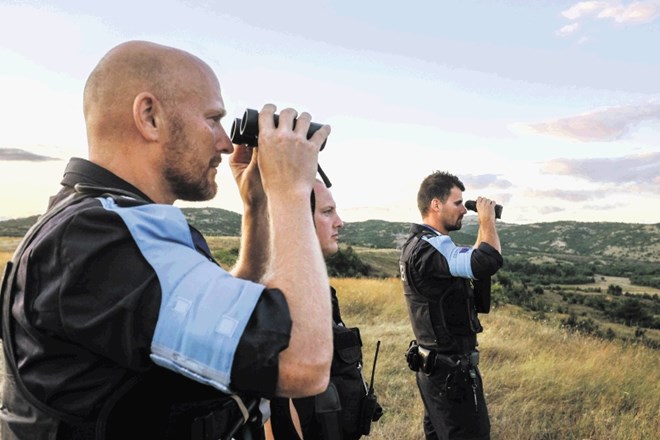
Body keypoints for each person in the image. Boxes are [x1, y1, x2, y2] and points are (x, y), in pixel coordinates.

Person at [0, 40, 334, 440]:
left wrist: (257, 207)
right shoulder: (96, 241)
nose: (226, 143)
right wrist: (292, 193)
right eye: (213, 119)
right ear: (149, 117)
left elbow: (232, 323)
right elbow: (302, 362)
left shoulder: (109, 224)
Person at [267, 180, 382, 440]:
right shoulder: (282, 296)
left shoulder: (319, 290)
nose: (339, 222)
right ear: (299, 221)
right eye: (327, 212)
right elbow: (274, 408)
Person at [399, 171, 503, 440]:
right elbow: (488, 261)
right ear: (436, 204)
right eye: (457, 203)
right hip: (450, 375)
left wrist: (482, 227)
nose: (463, 210)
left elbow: (472, 264)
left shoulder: (423, 245)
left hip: (437, 370)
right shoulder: (430, 248)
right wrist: (488, 220)